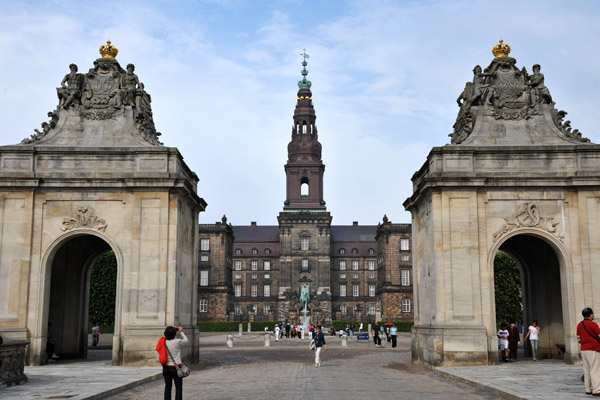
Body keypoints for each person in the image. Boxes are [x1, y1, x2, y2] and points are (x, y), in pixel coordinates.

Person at [156, 326, 188, 400]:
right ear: (174, 334)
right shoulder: (177, 342)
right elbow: (186, 341)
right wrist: (181, 332)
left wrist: (172, 329)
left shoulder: (163, 342)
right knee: (178, 386)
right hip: (177, 367)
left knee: (167, 386)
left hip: (166, 367)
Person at [577, 308, 600, 396]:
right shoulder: (593, 324)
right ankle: (597, 389)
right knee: (595, 369)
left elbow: (578, 337)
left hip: (584, 349)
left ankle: (588, 389)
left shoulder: (580, 324)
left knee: (586, 370)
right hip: (593, 348)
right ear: (591, 315)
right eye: (593, 314)